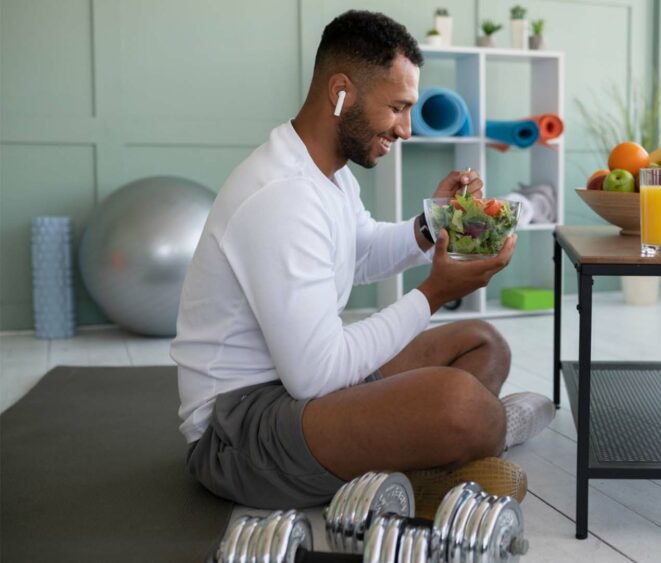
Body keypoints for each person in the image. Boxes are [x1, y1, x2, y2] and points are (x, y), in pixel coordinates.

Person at [171, 10, 555, 512]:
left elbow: (359, 252)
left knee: (483, 344)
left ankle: (434, 459)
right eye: (397, 108)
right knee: (461, 405)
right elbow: (316, 374)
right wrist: (435, 291)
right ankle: (486, 433)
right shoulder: (281, 196)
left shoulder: (328, 174)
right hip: (241, 430)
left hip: (302, 394)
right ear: (341, 92)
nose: (408, 129)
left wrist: (434, 223)